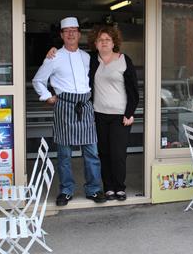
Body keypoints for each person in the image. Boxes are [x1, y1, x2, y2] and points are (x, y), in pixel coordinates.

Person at [46, 25, 139, 201]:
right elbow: (69, 72)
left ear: (114, 43)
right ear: (95, 43)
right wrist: (52, 52)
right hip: (96, 114)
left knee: (118, 154)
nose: (104, 43)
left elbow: (133, 90)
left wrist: (130, 112)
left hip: (121, 115)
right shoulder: (91, 60)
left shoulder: (124, 60)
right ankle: (108, 187)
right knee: (102, 153)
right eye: (100, 40)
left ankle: (120, 187)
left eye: (107, 40)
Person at [32, 17, 106, 206]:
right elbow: (38, 80)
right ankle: (66, 191)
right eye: (67, 31)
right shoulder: (54, 56)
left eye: (74, 30)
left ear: (79, 34)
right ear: (62, 35)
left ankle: (94, 189)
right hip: (64, 106)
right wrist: (47, 96)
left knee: (92, 152)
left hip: (85, 105)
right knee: (64, 154)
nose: (71, 34)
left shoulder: (87, 57)